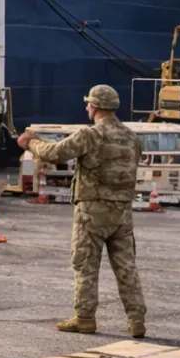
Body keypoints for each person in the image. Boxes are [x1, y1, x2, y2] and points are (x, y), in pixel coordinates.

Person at [16, 84, 147, 337]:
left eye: (88, 104)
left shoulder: (90, 135)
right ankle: (136, 319)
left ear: (95, 107)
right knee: (126, 267)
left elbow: (55, 153)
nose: (87, 107)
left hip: (92, 211)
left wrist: (30, 142)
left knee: (85, 265)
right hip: (122, 213)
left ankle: (85, 318)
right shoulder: (131, 138)